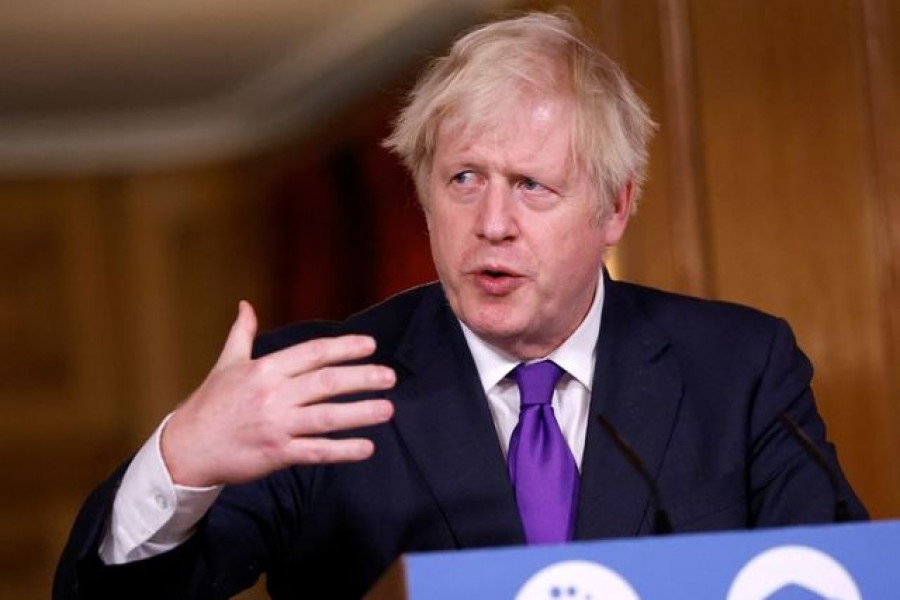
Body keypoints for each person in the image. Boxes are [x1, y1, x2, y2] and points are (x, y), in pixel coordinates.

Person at [54, 10, 866, 599]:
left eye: (532, 186)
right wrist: (182, 460)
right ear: (424, 192)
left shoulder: (738, 368)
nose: (493, 224)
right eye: (464, 180)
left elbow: (836, 579)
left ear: (615, 207)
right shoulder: (318, 390)